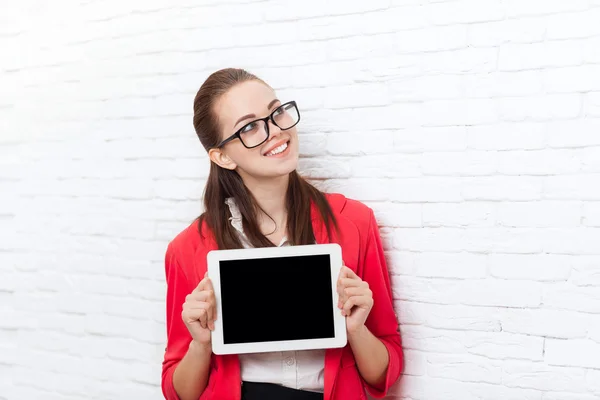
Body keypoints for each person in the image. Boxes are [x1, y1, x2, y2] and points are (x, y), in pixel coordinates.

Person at [161, 68, 403, 400]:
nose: (275, 131)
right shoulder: (187, 249)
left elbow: (384, 374)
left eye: (276, 112)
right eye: (249, 127)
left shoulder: (354, 223)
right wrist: (201, 343)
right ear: (222, 156)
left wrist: (356, 330)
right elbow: (179, 394)